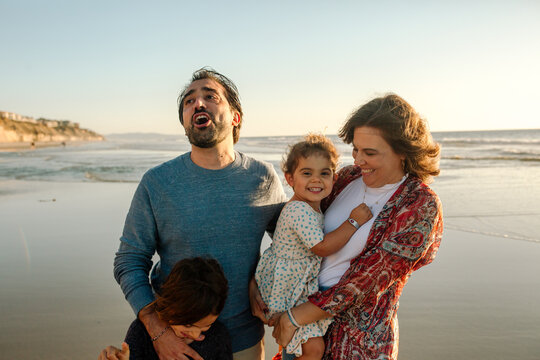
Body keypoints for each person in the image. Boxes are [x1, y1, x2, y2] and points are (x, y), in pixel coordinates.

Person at [113, 68, 286, 360]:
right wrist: (158, 331)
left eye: (210, 96)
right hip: (175, 343)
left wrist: (262, 282)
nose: (198, 103)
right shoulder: (158, 182)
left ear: (235, 117)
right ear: (184, 121)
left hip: (243, 341)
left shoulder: (262, 177)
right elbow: (129, 261)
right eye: (189, 101)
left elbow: (288, 246)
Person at [272, 94, 443, 360]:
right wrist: (266, 286)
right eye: (355, 149)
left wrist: (295, 317)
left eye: (370, 153)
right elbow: (299, 226)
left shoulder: (419, 203)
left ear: (402, 151)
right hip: (306, 325)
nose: (358, 160)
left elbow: (369, 278)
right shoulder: (347, 178)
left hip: (359, 340)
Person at [255, 134, 372, 359]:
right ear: (289, 179)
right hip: (289, 287)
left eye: (324, 173)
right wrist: (353, 221)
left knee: (301, 345)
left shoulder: (311, 205)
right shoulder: (298, 210)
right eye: (307, 173)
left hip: (295, 283)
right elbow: (322, 247)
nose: (316, 180)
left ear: (334, 179)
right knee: (313, 347)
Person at [99, 257, 232, 360]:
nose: (196, 334)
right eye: (187, 325)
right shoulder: (141, 332)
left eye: (205, 326)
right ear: (171, 305)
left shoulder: (218, 336)